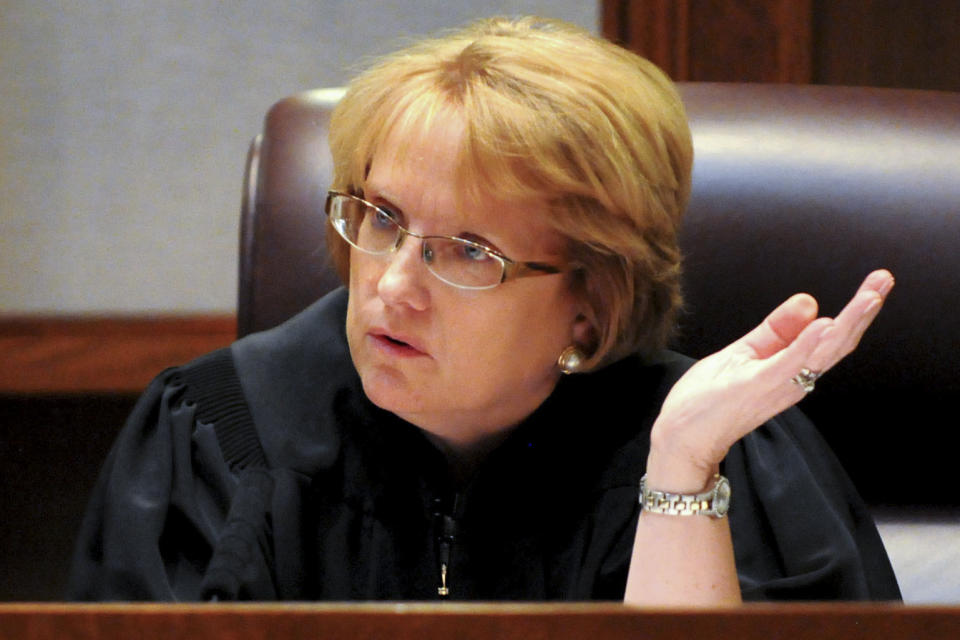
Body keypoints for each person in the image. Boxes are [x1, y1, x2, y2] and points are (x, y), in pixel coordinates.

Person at [68, 16, 900, 604]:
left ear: (590, 302)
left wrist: (680, 472)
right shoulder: (216, 436)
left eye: (470, 250)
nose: (392, 284)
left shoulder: (731, 452)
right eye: (382, 218)